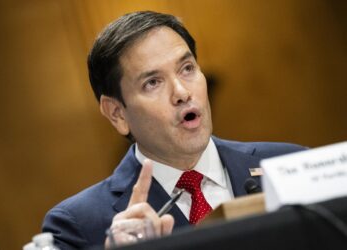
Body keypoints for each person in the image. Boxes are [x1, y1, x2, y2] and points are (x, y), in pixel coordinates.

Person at [42, 11, 305, 249]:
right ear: (117, 113)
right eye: (153, 82)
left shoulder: (290, 165)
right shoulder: (77, 227)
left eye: (187, 68)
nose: (181, 92)